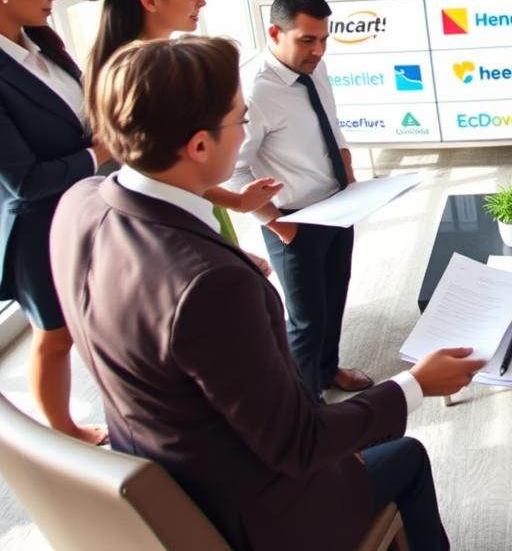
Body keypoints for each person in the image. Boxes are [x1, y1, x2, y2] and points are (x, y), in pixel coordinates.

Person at [51, 36, 483, 551]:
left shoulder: (78, 204)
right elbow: (299, 444)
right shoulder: (210, 286)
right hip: (248, 512)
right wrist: (415, 384)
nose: (247, 132)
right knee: (406, 455)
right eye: (240, 120)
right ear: (199, 146)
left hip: (162, 465)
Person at [79, 0, 285, 250]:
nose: (201, 1)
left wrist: (237, 201)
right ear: (150, 0)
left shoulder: (146, 64)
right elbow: (164, 173)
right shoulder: (144, 78)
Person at [231, 0, 372, 397]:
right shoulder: (254, 92)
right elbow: (235, 171)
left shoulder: (313, 66)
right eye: (307, 40)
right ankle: (307, 408)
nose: (318, 50)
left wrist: (344, 156)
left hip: (337, 206)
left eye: (324, 39)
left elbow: (328, 116)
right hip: (294, 221)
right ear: (274, 34)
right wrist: (277, 225)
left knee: (334, 301)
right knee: (306, 321)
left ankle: (327, 371)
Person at [0, 0, 108, 444]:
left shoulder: (42, 40)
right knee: (56, 334)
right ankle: (63, 433)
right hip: (36, 226)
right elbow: (23, 182)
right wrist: (97, 154)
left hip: (85, 206)